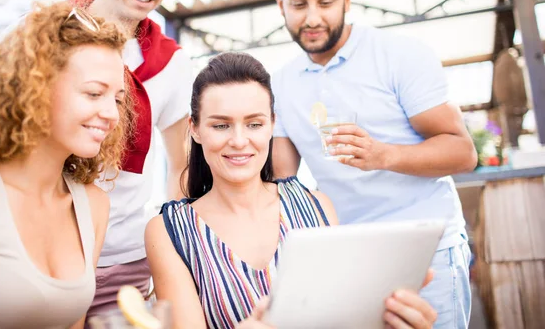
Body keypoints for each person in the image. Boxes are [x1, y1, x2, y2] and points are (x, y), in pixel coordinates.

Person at [0, 0, 192, 318]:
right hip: (29, 246)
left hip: (122, 261)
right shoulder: (41, 31)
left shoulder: (173, 64)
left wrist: (172, 252)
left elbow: (180, 167)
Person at [145, 52, 438, 329]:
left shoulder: (316, 207)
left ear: (272, 124)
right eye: (221, 126)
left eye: (254, 124)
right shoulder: (169, 232)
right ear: (194, 129)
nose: (238, 140)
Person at [271, 0, 478, 329]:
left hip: (425, 248)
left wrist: (384, 156)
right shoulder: (279, 85)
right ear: (280, 4)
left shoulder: (400, 55)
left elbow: (463, 152)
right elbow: (281, 182)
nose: (312, 17)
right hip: (349, 257)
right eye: (298, 4)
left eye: (325, 1)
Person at [0, 3, 130, 328]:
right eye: (93, 93)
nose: (112, 114)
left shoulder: (93, 206)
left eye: (116, 99)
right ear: (33, 89)